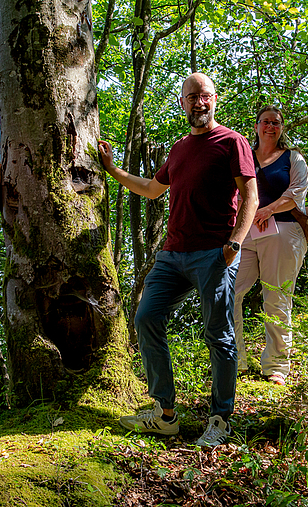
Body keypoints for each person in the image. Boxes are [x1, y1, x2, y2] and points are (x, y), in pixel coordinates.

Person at [98, 73, 258, 447]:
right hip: (172, 254)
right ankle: (166, 414)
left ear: (214, 99)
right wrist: (112, 170)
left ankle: (220, 419)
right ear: (182, 103)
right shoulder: (179, 148)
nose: (198, 103)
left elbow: (250, 195)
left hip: (214, 253)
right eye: (191, 97)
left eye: (204, 96)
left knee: (218, 334)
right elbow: (153, 190)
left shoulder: (232, 142)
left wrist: (235, 242)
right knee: (146, 317)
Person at [233, 105, 308, 385]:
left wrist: (268, 210)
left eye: (276, 123)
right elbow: (233, 192)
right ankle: (235, 360)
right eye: (265, 122)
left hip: (284, 231)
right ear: (256, 126)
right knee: (230, 291)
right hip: (245, 233)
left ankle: (276, 365)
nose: (270, 127)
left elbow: (297, 193)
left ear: (282, 128)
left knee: (276, 297)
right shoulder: (244, 157)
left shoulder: (293, 158)